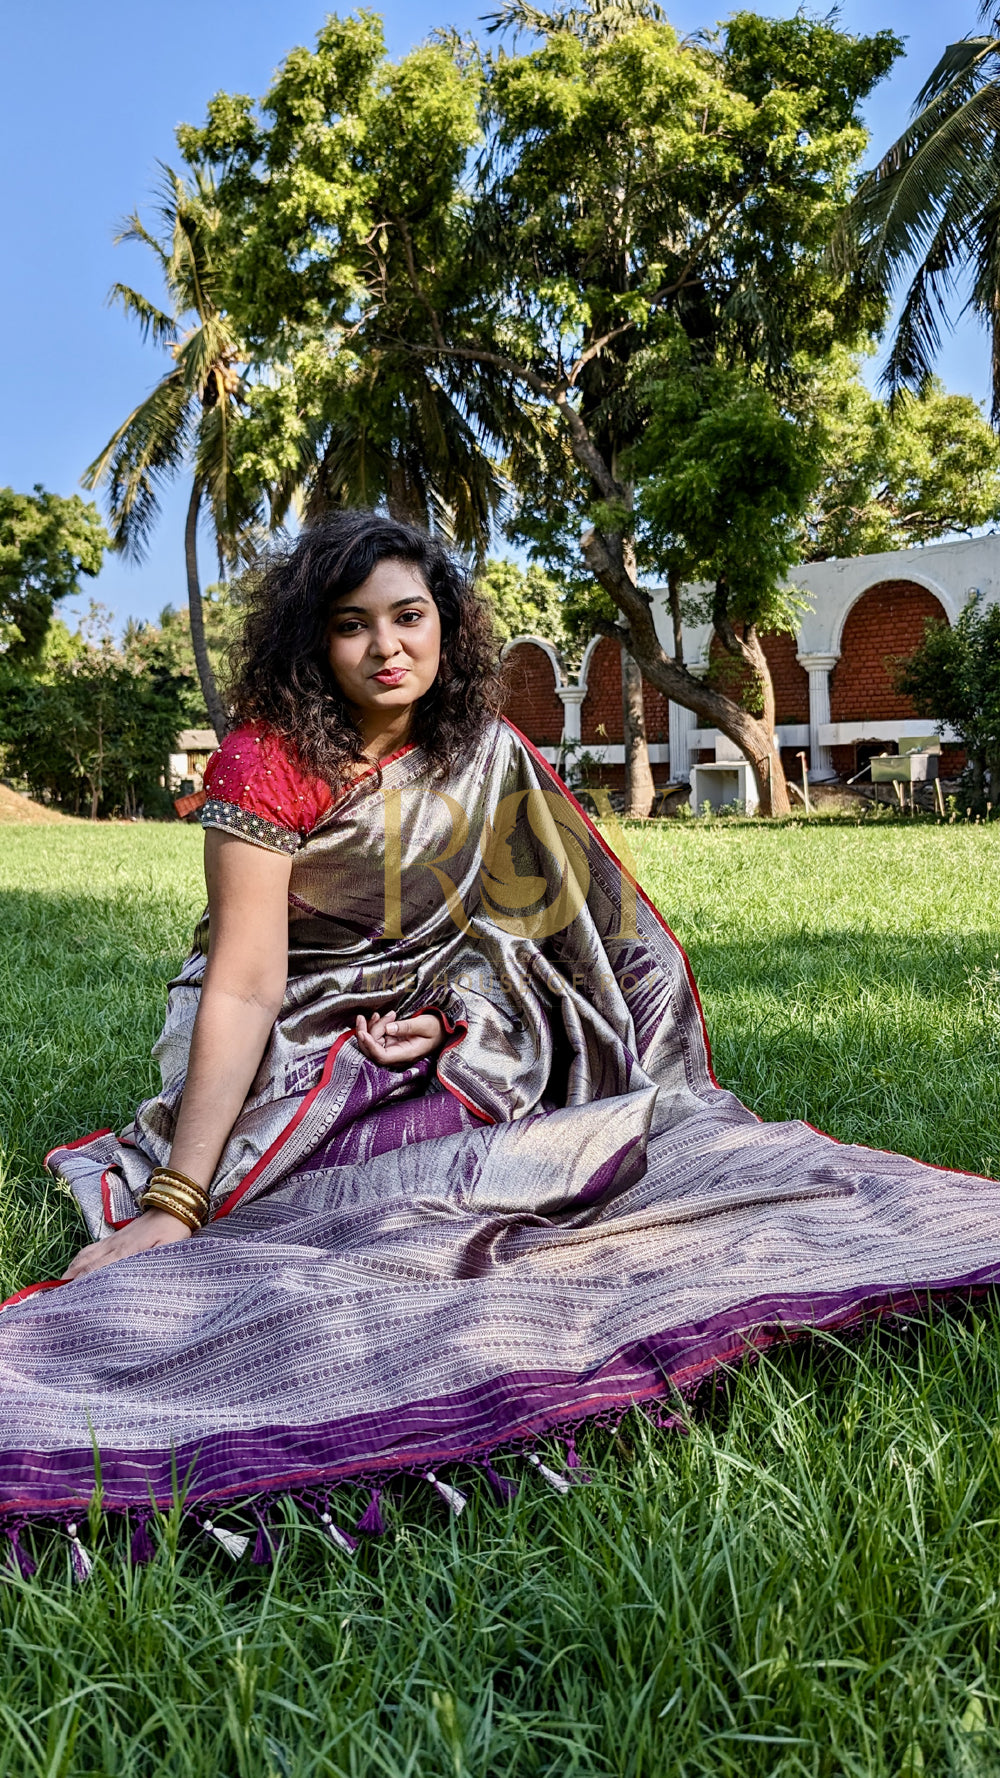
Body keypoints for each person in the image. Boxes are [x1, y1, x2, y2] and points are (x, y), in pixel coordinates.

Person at [7, 510, 1000, 1536]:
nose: (386, 647)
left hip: (452, 1011)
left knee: (495, 1127)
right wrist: (176, 1199)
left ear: (447, 626)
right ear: (315, 641)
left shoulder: (480, 748)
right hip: (296, 1017)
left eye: (408, 616)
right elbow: (247, 981)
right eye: (352, 625)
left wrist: (441, 1008)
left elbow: (538, 931)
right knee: (331, 1192)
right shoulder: (267, 761)